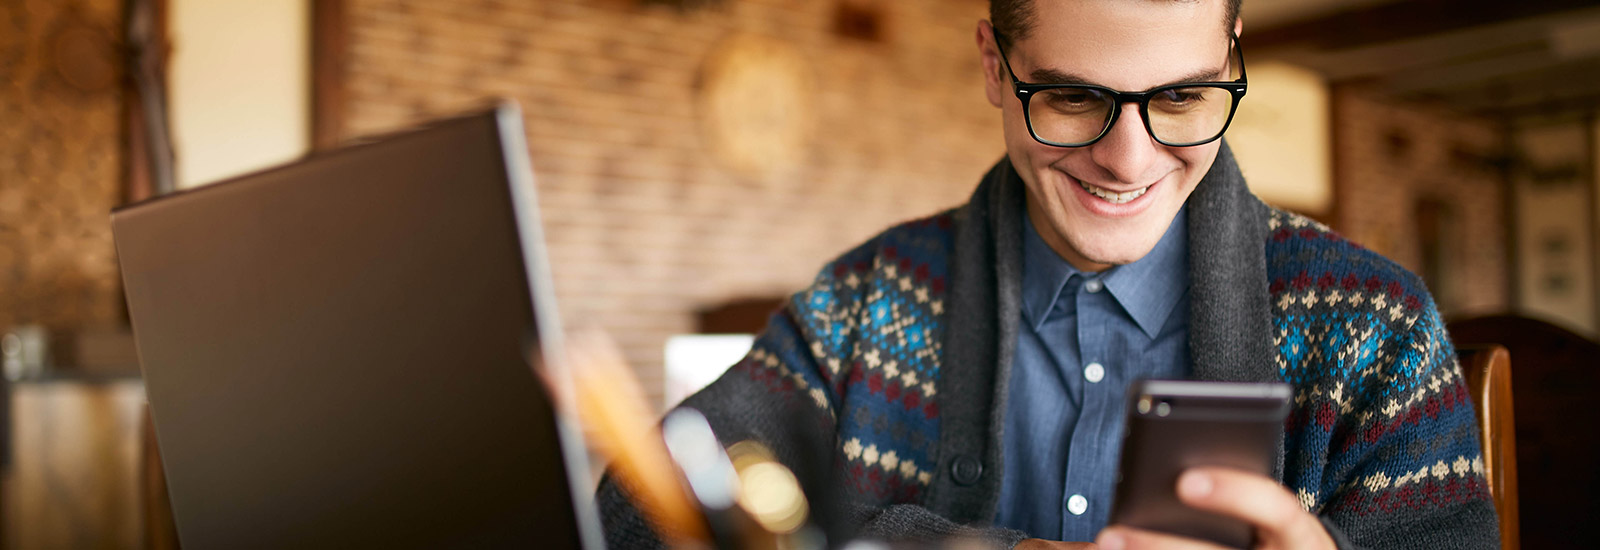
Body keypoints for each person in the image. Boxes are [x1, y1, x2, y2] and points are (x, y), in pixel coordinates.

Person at [598, 0, 1500, 548]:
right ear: (996, 66)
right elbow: (638, 511)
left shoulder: (1376, 325)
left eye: (1184, 97)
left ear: (1230, 56)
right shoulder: (867, 302)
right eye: (1073, 98)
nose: (1128, 161)